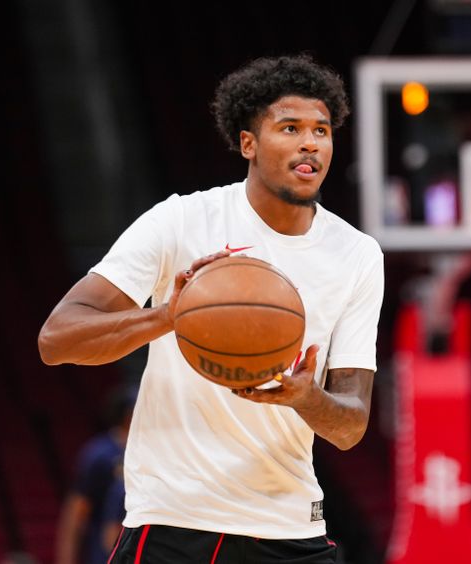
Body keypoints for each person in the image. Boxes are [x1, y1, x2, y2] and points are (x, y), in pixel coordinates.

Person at [38, 54, 385, 564]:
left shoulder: (357, 254)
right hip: (174, 523)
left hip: (288, 526)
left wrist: (306, 397)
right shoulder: (180, 220)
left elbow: (351, 425)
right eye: (290, 128)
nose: (310, 142)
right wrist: (166, 316)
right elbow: (57, 340)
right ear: (248, 143)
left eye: (321, 130)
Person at [54, 385, 136, 564]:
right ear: (129, 414)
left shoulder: (152, 452)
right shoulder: (99, 454)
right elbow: (75, 513)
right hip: (105, 553)